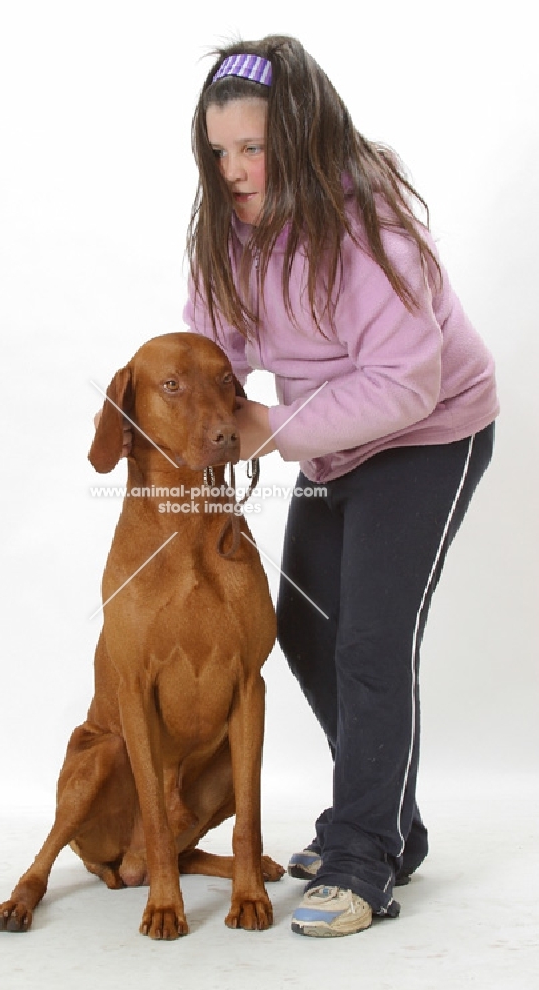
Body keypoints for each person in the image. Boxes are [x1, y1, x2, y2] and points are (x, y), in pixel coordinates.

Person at [183, 35, 498, 937]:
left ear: (305, 136)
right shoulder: (228, 227)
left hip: (430, 438)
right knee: (310, 636)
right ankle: (394, 823)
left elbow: (407, 382)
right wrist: (193, 410)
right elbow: (220, 344)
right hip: (335, 447)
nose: (235, 170)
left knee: (368, 643)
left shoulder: (371, 229)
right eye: (219, 151)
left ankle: (362, 856)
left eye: (255, 149)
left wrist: (268, 429)